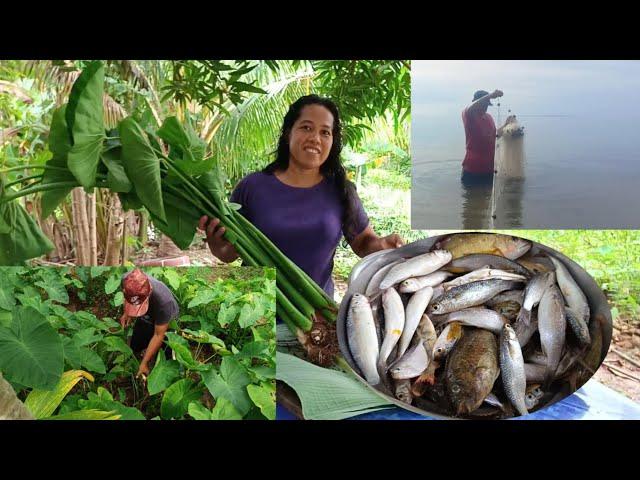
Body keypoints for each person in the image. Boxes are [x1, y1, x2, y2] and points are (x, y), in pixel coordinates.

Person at [199, 94, 404, 300]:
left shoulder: (341, 191)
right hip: (257, 310)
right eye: (306, 127)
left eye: (325, 132)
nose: (315, 138)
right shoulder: (252, 187)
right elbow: (229, 253)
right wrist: (217, 244)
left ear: (332, 141)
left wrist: (383, 245)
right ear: (288, 133)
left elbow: (363, 243)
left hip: (316, 319)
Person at [460, 89, 516, 228]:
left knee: (484, 205)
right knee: (471, 208)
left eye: (487, 104)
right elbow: (470, 108)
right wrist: (490, 95)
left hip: (489, 171)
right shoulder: (469, 115)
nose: (485, 107)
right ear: (476, 103)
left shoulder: (489, 118)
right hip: (472, 171)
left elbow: (495, 135)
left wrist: (506, 124)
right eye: (483, 103)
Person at [119, 268, 180, 377]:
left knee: (166, 354)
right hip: (147, 314)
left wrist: (144, 363)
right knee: (135, 345)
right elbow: (127, 296)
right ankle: (142, 353)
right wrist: (127, 312)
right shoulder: (127, 280)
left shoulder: (164, 303)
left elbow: (158, 335)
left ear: (148, 295)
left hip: (166, 319)